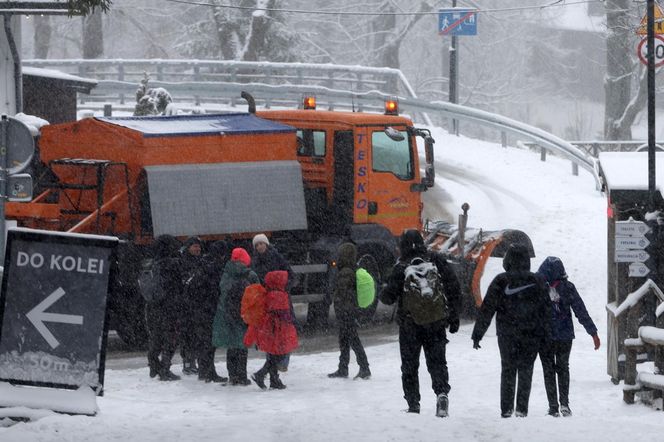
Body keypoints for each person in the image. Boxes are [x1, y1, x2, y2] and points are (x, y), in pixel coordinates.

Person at [380, 229, 461, 417]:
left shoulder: (401, 266)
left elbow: (388, 298)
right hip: (436, 323)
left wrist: (385, 289)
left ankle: (413, 404)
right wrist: (454, 316)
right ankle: (441, 394)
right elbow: (453, 287)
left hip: (410, 325)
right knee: (437, 362)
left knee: (409, 365)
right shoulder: (436, 261)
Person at [471, 243, 552, 418]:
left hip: (507, 335)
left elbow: (487, 309)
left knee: (508, 369)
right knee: (526, 370)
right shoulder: (537, 280)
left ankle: (506, 409)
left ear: (507, 260)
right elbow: (547, 310)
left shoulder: (501, 280)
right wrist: (546, 335)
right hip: (532, 335)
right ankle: (522, 409)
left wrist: (478, 334)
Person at [537, 256, 600, 417]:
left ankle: (553, 407)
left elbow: (530, 313)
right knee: (563, 368)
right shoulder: (568, 287)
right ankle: (564, 404)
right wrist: (592, 332)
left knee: (548, 370)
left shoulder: (539, 289)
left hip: (545, 337)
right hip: (564, 336)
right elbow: (580, 310)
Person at [212, 247, 259, 386]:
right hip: (244, 313)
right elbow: (258, 293)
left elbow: (222, 292)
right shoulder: (250, 275)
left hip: (227, 313)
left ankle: (233, 376)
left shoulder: (226, 273)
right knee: (242, 345)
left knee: (231, 345)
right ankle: (242, 376)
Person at [246, 270, 299, 390]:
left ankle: (274, 380)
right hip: (278, 328)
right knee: (279, 354)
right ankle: (261, 374)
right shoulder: (279, 294)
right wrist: (292, 321)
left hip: (270, 328)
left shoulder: (269, 292)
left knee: (272, 353)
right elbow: (283, 313)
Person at [327, 242, 371, 380]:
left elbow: (343, 293)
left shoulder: (345, 272)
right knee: (345, 339)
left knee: (352, 339)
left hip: (346, 312)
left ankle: (364, 367)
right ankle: (343, 367)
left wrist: (335, 299)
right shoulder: (352, 268)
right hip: (349, 311)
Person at [145, 234, 182, 381]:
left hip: (153, 305)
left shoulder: (152, 263)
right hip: (169, 306)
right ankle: (165, 368)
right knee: (171, 338)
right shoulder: (172, 264)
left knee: (156, 336)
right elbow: (177, 286)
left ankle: (153, 364)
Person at [194, 240, 231, 383]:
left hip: (200, 308)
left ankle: (204, 370)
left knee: (203, 341)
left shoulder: (203, 263)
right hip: (210, 309)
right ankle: (210, 372)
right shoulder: (216, 267)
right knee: (209, 342)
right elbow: (217, 289)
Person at [178, 236, 204, 375]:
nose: (197, 248)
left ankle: (194, 361)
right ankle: (188, 362)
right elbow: (185, 282)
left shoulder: (201, 261)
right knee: (187, 334)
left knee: (196, 334)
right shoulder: (184, 262)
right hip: (187, 305)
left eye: (198, 246)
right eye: (194, 246)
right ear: (188, 248)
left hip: (198, 304)